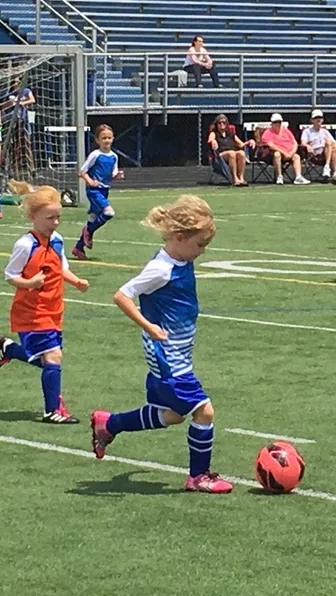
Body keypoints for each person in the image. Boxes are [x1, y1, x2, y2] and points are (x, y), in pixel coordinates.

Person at [89, 195, 233, 494]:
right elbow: (122, 295)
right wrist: (149, 326)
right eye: (200, 245)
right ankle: (198, 476)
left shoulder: (179, 257)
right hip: (168, 356)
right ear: (180, 238)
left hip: (176, 352)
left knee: (172, 415)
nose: (202, 252)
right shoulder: (161, 269)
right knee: (204, 412)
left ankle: (109, 424)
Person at [0, 182, 90, 424]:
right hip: (31, 311)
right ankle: (52, 410)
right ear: (33, 216)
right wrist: (30, 283)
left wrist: (76, 281)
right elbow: (10, 275)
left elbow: (61, 266)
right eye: (50, 218)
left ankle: (9, 349)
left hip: (54, 309)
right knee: (53, 357)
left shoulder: (56, 240)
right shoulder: (25, 245)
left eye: (58, 217)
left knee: (48, 358)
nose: (55, 222)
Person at [74, 124, 124, 260]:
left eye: (109, 137)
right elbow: (82, 172)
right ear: (97, 140)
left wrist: (117, 175)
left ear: (113, 138)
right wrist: (90, 181)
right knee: (109, 212)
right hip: (94, 190)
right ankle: (88, 231)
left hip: (104, 190)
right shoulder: (95, 155)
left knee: (94, 217)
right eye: (103, 138)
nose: (107, 140)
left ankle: (78, 248)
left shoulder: (114, 156)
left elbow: (112, 174)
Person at [300, 109, 336, 184]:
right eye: (316, 118)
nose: (318, 119)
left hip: (326, 153)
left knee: (334, 147)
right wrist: (307, 146)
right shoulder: (307, 131)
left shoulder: (325, 132)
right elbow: (303, 143)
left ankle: (333, 170)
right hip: (314, 154)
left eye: (320, 118)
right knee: (329, 143)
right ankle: (330, 169)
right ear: (312, 120)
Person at [258, 113, 310, 185]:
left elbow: (294, 143)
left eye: (279, 122)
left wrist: (291, 153)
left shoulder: (286, 131)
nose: (277, 124)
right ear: (272, 123)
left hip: (289, 153)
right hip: (273, 155)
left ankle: (298, 177)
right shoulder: (267, 133)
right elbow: (271, 146)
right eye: (275, 122)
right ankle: (279, 176)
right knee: (277, 154)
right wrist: (284, 153)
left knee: (296, 156)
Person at [207, 114, 252, 187]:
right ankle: (234, 179)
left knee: (241, 153)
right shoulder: (214, 133)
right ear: (216, 124)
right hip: (219, 156)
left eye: (224, 123)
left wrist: (249, 142)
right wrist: (213, 141)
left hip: (232, 153)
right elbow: (210, 140)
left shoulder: (231, 133)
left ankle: (241, 178)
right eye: (220, 123)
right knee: (232, 153)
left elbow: (241, 144)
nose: (222, 124)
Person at [5, 76, 36, 181]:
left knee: (27, 144)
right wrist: (9, 104)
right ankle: (13, 170)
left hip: (24, 120)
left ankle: (31, 168)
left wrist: (22, 103)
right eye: (15, 83)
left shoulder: (26, 91)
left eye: (18, 83)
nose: (16, 85)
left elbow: (32, 100)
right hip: (14, 122)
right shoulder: (11, 95)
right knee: (15, 147)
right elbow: (4, 107)